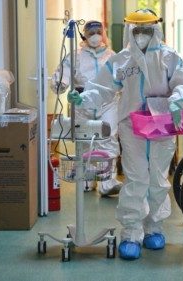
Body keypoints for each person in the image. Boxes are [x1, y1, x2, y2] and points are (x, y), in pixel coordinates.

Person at [67, 9, 183, 260]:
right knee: (136, 179)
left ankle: (154, 228)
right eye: (137, 30)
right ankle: (131, 232)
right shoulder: (121, 61)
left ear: (155, 30)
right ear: (129, 30)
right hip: (131, 127)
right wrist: (83, 98)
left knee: (158, 179)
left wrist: (179, 99)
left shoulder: (169, 58)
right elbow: (102, 88)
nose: (142, 34)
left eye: (146, 29)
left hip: (161, 124)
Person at [51, 20, 123, 196]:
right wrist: (61, 86)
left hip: (108, 104)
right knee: (85, 141)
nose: (95, 36)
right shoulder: (75, 56)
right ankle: (87, 180)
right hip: (82, 104)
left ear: (104, 34)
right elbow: (61, 78)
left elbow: (120, 79)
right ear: (84, 35)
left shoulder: (111, 55)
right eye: (91, 33)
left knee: (109, 138)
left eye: (99, 32)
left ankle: (107, 182)